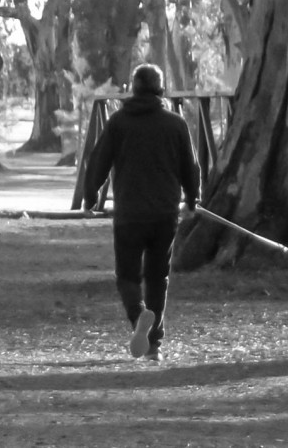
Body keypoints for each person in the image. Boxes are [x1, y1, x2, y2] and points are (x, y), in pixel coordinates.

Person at [83, 63, 201, 361]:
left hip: (130, 214)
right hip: (164, 214)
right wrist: (192, 199)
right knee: (157, 277)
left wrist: (90, 195)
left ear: (132, 89)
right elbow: (191, 166)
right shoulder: (176, 125)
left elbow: (99, 161)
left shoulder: (119, 122)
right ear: (161, 90)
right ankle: (154, 345)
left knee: (127, 276)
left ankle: (139, 318)